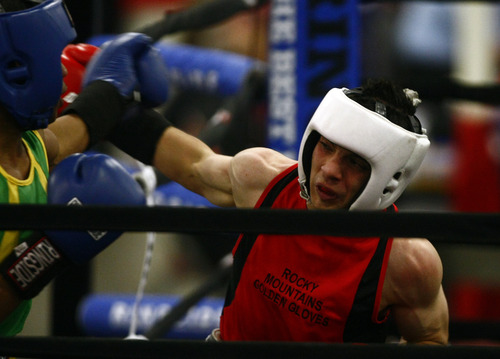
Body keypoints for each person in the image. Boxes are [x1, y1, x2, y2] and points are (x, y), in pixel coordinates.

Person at [112, 78, 449, 344]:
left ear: (388, 180)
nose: (329, 170)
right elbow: (195, 165)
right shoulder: (264, 181)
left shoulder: (405, 261)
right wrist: (109, 106)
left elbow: (430, 337)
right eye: (327, 148)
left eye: (354, 162)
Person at [0, 0, 166, 336]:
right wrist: (46, 253)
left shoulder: (29, 145)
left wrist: (109, 86)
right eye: (53, 57)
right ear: (16, 70)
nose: (64, 71)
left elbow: (72, 133)